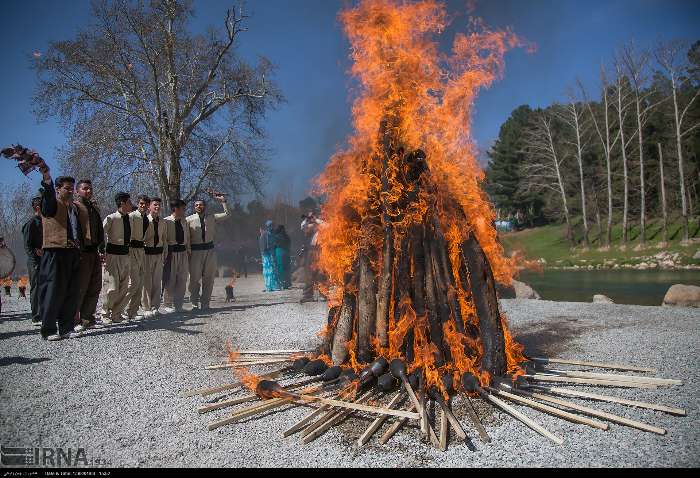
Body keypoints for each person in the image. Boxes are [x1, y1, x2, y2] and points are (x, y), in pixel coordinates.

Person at [37, 165, 90, 340]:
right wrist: (47, 179)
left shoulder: (75, 208)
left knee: (71, 291)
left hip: (72, 252)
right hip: (55, 252)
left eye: (72, 189)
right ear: (58, 189)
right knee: (53, 291)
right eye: (66, 188)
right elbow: (47, 201)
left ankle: (66, 328)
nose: (70, 192)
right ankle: (49, 330)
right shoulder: (52, 203)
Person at [186, 194, 230, 310]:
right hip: (195, 251)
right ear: (194, 207)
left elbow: (227, 214)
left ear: (205, 206)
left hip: (210, 251)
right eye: (196, 205)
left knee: (209, 278)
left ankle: (205, 303)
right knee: (194, 279)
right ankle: (194, 303)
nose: (199, 206)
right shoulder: (188, 220)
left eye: (201, 204)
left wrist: (223, 201)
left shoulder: (212, 217)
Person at [74, 179, 105, 331]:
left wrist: (101, 248)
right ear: (77, 191)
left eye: (90, 188)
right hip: (82, 252)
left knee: (95, 286)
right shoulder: (75, 207)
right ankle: (74, 320)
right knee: (80, 287)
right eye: (85, 188)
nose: (88, 191)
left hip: (94, 251)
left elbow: (99, 229)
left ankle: (88, 318)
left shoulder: (93, 207)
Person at [101, 192, 134, 325]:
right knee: (112, 287)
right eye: (129, 202)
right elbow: (101, 234)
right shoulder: (111, 218)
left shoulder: (130, 218)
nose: (131, 205)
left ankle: (116, 313)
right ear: (122, 203)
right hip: (113, 255)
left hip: (126, 254)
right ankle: (105, 313)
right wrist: (101, 250)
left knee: (124, 286)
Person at [124, 194, 151, 321]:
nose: (143, 206)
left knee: (140, 283)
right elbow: (127, 234)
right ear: (138, 204)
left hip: (141, 250)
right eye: (141, 203)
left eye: (145, 204)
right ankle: (120, 309)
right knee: (133, 282)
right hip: (132, 249)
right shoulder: (132, 216)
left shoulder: (146, 218)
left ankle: (132, 311)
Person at [162, 199, 190, 313]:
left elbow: (187, 237)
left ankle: (178, 305)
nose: (184, 211)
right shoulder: (166, 221)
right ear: (176, 209)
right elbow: (163, 238)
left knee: (182, 280)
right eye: (183, 208)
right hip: (171, 253)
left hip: (183, 253)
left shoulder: (185, 221)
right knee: (171, 279)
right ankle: (168, 304)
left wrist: (188, 251)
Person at [142, 197, 167, 318]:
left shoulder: (162, 222)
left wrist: (164, 254)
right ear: (149, 207)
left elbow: (164, 239)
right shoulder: (145, 220)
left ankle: (155, 306)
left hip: (158, 254)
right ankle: (146, 307)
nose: (157, 207)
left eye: (159, 205)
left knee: (157, 281)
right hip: (147, 254)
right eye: (155, 205)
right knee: (147, 281)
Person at [21, 196, 43, 325]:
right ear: (38, 207)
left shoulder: (45, 222)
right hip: (34, 261)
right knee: (36, 287)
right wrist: (35, 254)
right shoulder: (31, 223)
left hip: (45, 260)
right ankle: (36, 316)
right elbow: (27, 245)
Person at [300, 212, 323, 303]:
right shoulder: (312, 226)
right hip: (311, 251)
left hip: (321, 250)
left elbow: (326, 226)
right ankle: (308, 295)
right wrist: (307, 219)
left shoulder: (322, 224)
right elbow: (303, 226)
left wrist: (316, 219)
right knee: (309, 273)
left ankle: (323, 294)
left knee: (321, 273)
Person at [259, 221, 279, 292]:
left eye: (272, 225)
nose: (271, 227)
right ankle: (269, 286)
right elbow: (264, 246)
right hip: (267, 255)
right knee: (269, 270)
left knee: (273, 269)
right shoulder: (265, 234)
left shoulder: (272, 234)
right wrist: (265, 252)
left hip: (271, 254)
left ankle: (273, 285)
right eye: (270, 226)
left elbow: (275, 244)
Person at [273, 224, 291, 289]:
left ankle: (281, 283)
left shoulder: (276, 236)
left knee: (280, 268)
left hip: (279, 252)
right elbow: (289, 245)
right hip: (286, 252)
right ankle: (287, 283)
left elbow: (274, 246)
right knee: (287, 268)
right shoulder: (287, 236)